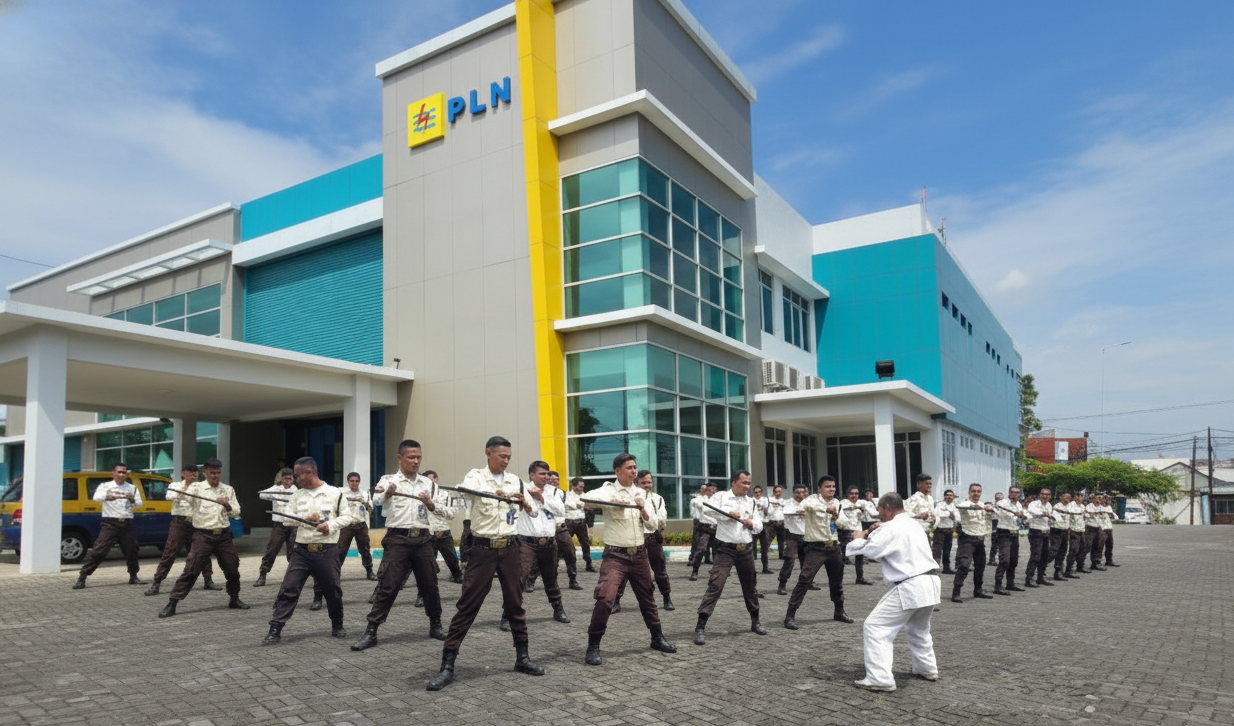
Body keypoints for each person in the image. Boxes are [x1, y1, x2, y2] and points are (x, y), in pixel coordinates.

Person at [427, 436, 545, 691]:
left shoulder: (516, 480)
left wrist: (525, 502)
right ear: (488, 453)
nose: (506, 461)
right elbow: (464, 490)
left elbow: (534, 512)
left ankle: (522, 658)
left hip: (511, 548)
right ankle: (447, 665)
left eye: (509, 457)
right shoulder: (476, 477)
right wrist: (499, 494)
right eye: (502, 456)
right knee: (467, 605)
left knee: (515, 603)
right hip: (483, 550)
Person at [351, 441, 451, 651]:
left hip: (423, 539)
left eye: (419, 457)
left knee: (430, 585)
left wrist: (430, 504)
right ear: (400, 458)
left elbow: (443, 510)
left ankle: (436, 625)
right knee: (388, 585)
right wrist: (388, 493)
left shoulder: (428, 483)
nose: (416, 461)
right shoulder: (388, 480)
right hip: (398, 539)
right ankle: (372, 630)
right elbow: (376, 501)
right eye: (411, 457)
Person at [582, 454, 676, 665]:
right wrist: (610, 502)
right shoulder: (607, 489)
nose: (634, 471)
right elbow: (586, 499)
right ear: (617, 471)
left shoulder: (641, 492)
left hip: (639, 554)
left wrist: (642, 507)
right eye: (629, 468)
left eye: (635, 467)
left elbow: (652, 525)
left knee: (648, 598)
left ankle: (657, 638)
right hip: (615, 555)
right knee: (606, 598)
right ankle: (593, 645)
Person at [848, 492, 941, 693]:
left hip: (912, 584)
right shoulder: (913, 524)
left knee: (875, 627)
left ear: (887, 507)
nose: (879, 514)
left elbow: (871, 551)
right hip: (930, 582)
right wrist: (874, 532)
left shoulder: (891, 527)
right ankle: (927, 668)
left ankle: (880, 678)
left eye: (880, 510)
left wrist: (858, 537)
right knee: (918, 629)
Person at [260, 456, 357, 643]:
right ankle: (275, 628)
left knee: (333, 590)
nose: (297, 479)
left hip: (326, 550)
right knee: (289, 588)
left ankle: (337, 624)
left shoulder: (335, 493)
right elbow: (286, 518)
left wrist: (330, 525)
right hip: (301, 551)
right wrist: (306, 518)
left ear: (309, 472)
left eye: (298, 475)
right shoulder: (297, 495)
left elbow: (347, 517)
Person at [157, 458, 249, 617]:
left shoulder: (228, 489)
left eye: (218, 473)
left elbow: (236, 512)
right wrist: (186, 487)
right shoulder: (196, 488)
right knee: (191, 570)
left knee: (232, 569)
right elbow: (179, 501)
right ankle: (173, 602)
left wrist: (226, 505)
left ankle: (234, 598)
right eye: (212, 473)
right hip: (203, 535)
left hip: (223, 536)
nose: (216, 476)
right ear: (205, 472)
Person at [690, 470, 766, 645]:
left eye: (749, 483)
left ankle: (756, 622)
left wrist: (752, 523)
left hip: (745, 550)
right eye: (743, 483)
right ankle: (700, 627)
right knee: (715, 585)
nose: (747, 486)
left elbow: (760, 525)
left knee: (750, 587)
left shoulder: (751, 502)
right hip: (725, 550)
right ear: (733, 482)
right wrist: (728, 514)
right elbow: (707, 511)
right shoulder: (721, 497)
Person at [783, 475, 853, 630]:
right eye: (828, 487)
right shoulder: (811, 500)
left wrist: (836, 516)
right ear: (819, 489)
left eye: (833, 487)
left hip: (833, 547)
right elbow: (807, 507)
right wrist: (825, 509)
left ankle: (839, 611)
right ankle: (790, 615)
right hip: (816, 548)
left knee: (837, 581)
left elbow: (843, 522)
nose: (831, 490)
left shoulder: (837, 503)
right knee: (804, 579)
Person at [506, 460, 569, 628]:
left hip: (548, 542)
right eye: (542, 474)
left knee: (551, 578)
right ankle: (508, 615)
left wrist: (541, 498)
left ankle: (558, 609)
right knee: (520, 579)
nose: (546, 477)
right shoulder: (522, 489)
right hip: (526, 542)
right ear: (531, 475)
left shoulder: (555, 491)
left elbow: (561, 511)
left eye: (548, 474)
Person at [145, 464, 219, 595]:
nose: (194, 475)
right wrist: (186, 486)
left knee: (203, 552)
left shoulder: (202, 487)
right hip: (179, 523)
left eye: (195, 472)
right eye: (190, 472)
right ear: (183, 473)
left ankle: (208, 580)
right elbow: (169, 497)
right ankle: (157, 583)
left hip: (197, 523)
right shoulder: (175, 486)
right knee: (170, 552)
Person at [73, 462, 146, 589]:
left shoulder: (131, 487)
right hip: (110, 523)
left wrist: (132, 499)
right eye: (119, 472)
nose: (122, 475)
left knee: (132, 549)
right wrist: (108, 497)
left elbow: (139, 504)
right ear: (113, 473)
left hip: (126, 522)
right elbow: (96, 497)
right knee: (99, 550)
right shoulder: (105, 486)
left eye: (124, 472)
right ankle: (83, 576)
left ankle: (133, 576)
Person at [612, 471, 675, 613]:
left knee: (660, 570)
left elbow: (661, 519)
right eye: (643, 482)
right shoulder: (630, 498)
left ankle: (667, 598)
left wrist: (647, 519)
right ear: (637, 483)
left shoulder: (658, 499)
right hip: (634, 539)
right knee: (625, 572)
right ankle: (616, 601)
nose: (647, 485)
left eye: (649, 482)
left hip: (652, 538)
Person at [951, 483, 994, 603]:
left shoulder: (984, 505)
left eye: (978, 491)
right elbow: (958, 507)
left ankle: (978, 590)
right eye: (973, 491)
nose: (976, 494)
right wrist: (974, 507)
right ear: (969, 492)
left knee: (980, 566)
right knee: (964, 565)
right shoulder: (964, 504)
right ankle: (956, 592)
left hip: (980, 539)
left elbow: (994, 514)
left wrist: (991, 508)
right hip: (967, 538)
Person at [253, 468, 297, 587]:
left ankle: (293, 578)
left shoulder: (297, 491)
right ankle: (262, 575)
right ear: (282, 479)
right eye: (285, 478)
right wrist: (275, 496)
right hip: (279, 526)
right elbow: (262, 495)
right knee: (271, 550)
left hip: (293, 526)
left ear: (293, 479)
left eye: (290, 478)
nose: (288, 481)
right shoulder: (275, 489)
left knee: (293, 553)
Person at [424, 470, 464, 584]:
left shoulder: (445, 495)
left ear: (437, 479)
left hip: (443, 532)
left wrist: (433, 506)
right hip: (427, 534)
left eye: (433, 479)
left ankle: (457, 576)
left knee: (452, 559)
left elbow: (451, 514)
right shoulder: (420, 495)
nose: (431, 482)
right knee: (427, 564)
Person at [337, 471, 377, 581]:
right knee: (341, 550)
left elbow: (370, 509)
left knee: (365, 549)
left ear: (359, 481)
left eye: (357, 481)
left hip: (360, 525)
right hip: (346, 525)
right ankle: (335, 574)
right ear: (348, 481)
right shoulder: (341, 493)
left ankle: (370, 572)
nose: (354, 483)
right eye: (352, 481)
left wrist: (363, 502)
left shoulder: (365, 493)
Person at [547, 471, 579, 589]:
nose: (554, 482)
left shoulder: (563, 494)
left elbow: (573, 505)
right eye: (551, 480)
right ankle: (531, 580)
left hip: (561, 528)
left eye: (556, 480)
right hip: (546, 530)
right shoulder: (542, 493)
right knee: (543, 557)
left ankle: (573, 579)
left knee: (570, 552)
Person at [992, 486, 1025, 595]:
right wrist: (1015, 514)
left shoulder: (1019, 505)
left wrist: (1022, 515)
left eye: (1017, 493)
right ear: (1009, 493)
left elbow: (1023, 516)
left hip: (1015, 533)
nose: (1014, 495)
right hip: (1004, 533)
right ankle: (998, 585)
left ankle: (1010, 583)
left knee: (1013, 560)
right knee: (1004, 560)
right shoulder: (1002, 503)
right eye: (1012, 492)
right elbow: (1005, 513)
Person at [776, 484, 808, 595]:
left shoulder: (808, 503)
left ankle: (807, 583)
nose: (800, 495)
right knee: (790, 559)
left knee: (807, 561)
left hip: (806, 535)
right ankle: (782, 584)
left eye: (802, 492)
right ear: (793, 493)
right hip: (792, 535)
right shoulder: (788, 502)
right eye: (797, 492)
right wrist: (798, 512)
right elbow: (784, 512)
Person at [1024, 488, 1055, 588]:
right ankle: (1029, 578)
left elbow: (1049, 519)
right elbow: (1034, 511)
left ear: (1050, 496)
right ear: (1039, 495)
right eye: (1043, 494)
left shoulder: (1049, 505)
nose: (1045, 496)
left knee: (1044, 556)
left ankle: (1040, 577)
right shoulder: (1034, 504)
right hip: (1036, 532)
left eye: (1047, 495)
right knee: (1035, 556)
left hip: (1046, 531)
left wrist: (1053, 520)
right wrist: (1046, 514)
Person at [836, 486, 868, 585]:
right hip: (845, 531)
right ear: (848, 494)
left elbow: (865, 518)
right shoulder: (843, 503)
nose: (854, 496)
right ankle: (837, 579)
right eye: (852, 493)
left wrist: (863, 511)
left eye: (856, 493)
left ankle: (860, 577)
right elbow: (846, 509)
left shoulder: (860, 503)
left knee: (859, 554)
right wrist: (857, 507)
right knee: (841, 556)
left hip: (858, 530)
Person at [689, 483, 720, 581]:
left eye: (715, 489)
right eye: (711, 489)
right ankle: (695, 570)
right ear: (707, 491)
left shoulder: (718, 501)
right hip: (705, 527)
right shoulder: (700, 500)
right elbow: (699, 506)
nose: (714, 491)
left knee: (717, 551)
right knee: (701, 549)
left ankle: (717, 571)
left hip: (716, 527)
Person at [565, 478, 595, 574]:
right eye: (579, 486)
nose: (581, 488)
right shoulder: (567, 495)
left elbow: (589, 506)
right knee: (565, 544)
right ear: (573, 486)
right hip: (569, 522)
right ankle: (562, 565)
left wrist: (579, 505)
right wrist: (576, 505)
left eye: (582, 486)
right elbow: (565, 504)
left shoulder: (585, 495)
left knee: (585, 544)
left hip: (581, 523)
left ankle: (588, 564)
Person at [1049, 491, 1073, 581]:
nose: (1068, 499)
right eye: (1066, 497)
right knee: (1053, 551)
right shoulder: (1057, 507)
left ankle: (1058, 572)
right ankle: (1041, 567)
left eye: (1069, 497)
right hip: (1057, 531)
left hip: (1065, 531)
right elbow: (1058, 520)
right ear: (1061, 497)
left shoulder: (1069, 507)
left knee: (1062, 551)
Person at [932, 489, 958, 574]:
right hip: (940, 530)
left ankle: (946, 568)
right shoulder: (939, 505)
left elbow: (958, 518)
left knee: (947, 550)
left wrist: (951, 516)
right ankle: (934, 568)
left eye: (951, 495)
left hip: (949, 530)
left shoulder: (954, 506)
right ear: (944, 497)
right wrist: (948, 514)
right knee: (937, 550)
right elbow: (937, 513)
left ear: (953, 497)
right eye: (947, 495)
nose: (949, 497)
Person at [751, 485, 774, 574]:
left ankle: (765, 567)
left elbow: (771, 512)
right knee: (752, 547)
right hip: (754, 524)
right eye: (756, 492)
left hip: (764, 524)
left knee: (764, 546)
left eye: (759, 492)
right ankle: (752, 569)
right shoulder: (751, 501)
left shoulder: (766, 500)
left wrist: (766, 510)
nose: (757, 494)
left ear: (761, 492)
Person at [1066, 494, 1089, 577]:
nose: (1079, 498)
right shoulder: (1070, 505)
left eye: (1081, 496)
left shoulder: (1082, 506)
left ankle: (1080, 566)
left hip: (1081, 530)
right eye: (1077, 496)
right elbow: (1067, 516)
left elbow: (1085, 516)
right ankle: (1068, 570)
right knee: (1073, 550)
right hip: (1073, 530)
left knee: (1083, 549)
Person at [1086, 494, 1108, 571]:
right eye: (1097, 498)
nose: (1098, 501)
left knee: (1099, 546)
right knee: (1087, 546)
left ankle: (1096, 563)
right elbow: (1089, 512)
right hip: (1090, 528)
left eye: (1100, 499)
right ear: (1093, 499)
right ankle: (1079, 563)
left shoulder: (1102, 507)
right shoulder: (1089, 506)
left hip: (1099, 528)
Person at [767, 485, 786, 561]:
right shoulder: (770, 500)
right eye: (776, 492)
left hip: (781, 522)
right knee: (768, 539)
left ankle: (781, 554)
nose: (778, 493)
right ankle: (764, 554)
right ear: (774, 492)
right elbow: (768, 511)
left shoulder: (783, 501)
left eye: (779, 492)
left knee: (781, 540)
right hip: (772, 522)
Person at [1102, 495, 1120, 567]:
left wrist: (1112, 515)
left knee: (1109, 545)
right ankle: (1096, 562)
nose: (1108, 502)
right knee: (1098, 546)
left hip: (1109, 528)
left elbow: (1115, 517)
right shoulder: (1100, 508)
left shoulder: (1109, 508)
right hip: (1102, 529)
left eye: (1110, 500)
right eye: (1107, 500)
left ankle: (1109, 560)